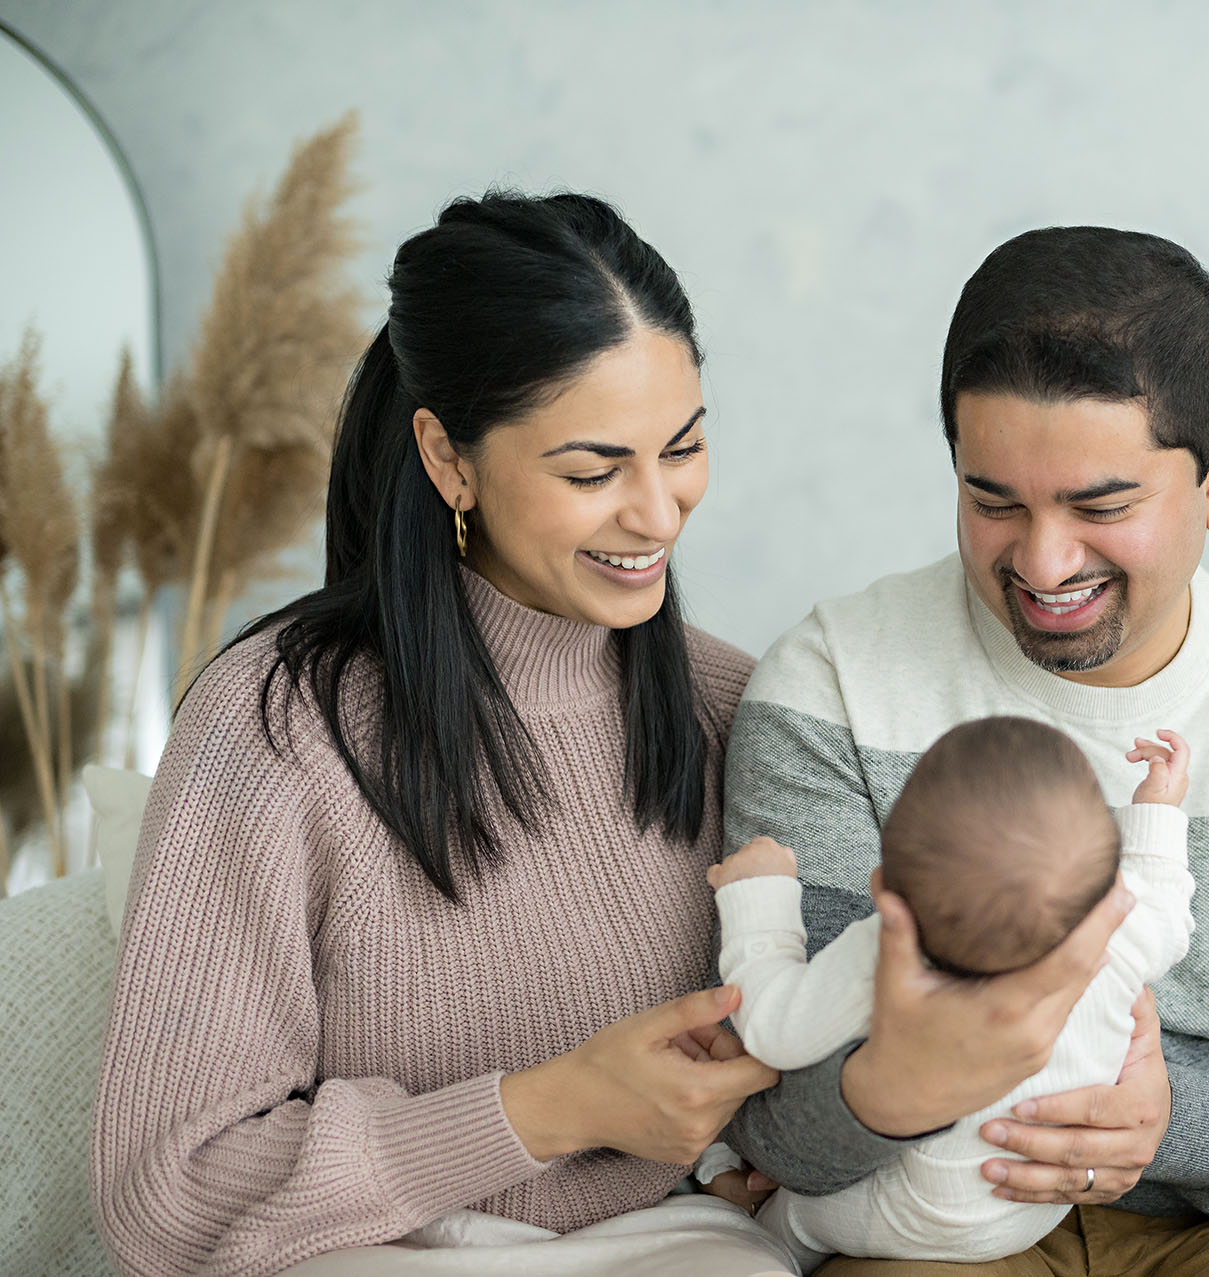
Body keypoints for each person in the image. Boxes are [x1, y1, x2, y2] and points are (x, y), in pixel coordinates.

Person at [720, 226, 1209, 1276]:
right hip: (933, 1224)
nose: (1044, 560)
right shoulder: (833, 684)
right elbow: (771, 1118)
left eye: (1101, 505)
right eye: (993, 501)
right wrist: (906, 1082)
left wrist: (1168, 1119)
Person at [90, 192, 794, 1276]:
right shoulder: (276, 726)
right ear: (448, 456)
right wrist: (545, 1108)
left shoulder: (730, 706)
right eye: (593, 471)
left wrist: (773, 1147)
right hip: (362, 1250)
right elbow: (166, 1192)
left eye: (683, 447)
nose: (658, 513)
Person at [701, 719, 1195, 1272]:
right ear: (1108, 888)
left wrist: (760, 898)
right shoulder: (1119, 929)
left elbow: (774, 1031)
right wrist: (1157, 810)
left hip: (920, 1212)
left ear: (883, 886)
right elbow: (1164, 903)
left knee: (790, 1219)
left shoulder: (886, 954)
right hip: (1040, 1204)